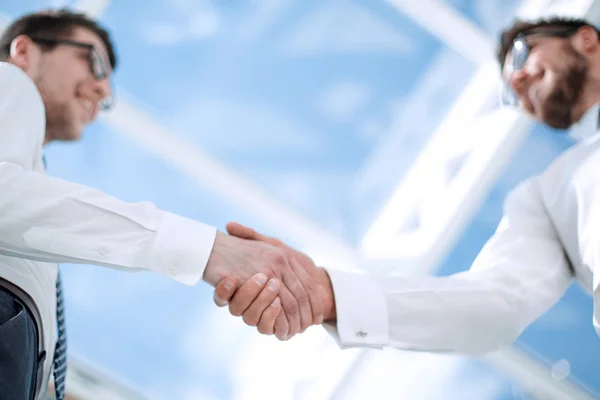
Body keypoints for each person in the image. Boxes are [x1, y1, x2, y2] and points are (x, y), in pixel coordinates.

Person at [215, 16, 600, 354]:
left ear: (586, 39)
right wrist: (331, 296)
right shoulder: (550, 196)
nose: (517, 81)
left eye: (522, 53)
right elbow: (493, 305)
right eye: (511, 94)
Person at [0, 9, 326, 400]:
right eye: (94, 61)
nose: (103, 90)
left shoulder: (35, 172)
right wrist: (209, 250)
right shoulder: (10, 83)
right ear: (24, 50)